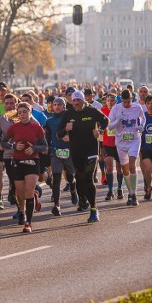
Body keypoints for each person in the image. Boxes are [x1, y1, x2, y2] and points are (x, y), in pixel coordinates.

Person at [57, 91, 109, 222]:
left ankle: (93, 209)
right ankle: (82, 200)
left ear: (83, 101)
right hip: (76, 151)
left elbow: (105, 120)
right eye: (74, 101)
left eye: (78, 101)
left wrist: (100, 130)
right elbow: (58, 133)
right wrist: (66, 130)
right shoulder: (68, 114)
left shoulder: (92, 111)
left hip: (91, 151)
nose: (76, 103)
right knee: (79, 178)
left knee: (88, 178)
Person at [1, 103, 48, 232]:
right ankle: (22, 210)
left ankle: (28, 222)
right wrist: (14, 146)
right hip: (17, 162)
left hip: (33, 161)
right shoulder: (14, 128)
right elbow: (3, 142)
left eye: (24, 112)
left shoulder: (37, 127)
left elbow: (45, 147)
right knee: (20, 193)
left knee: (28, 190)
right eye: (20, 112)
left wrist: (34, 148)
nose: (22, 114)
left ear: (30, 112)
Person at [107, 89, 145, 206]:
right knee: (125, 170)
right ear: (121, 100)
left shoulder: (137, 107)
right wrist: (118, 119)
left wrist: (141, 126)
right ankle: (130, 192)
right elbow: (109, 126)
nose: (126, 104)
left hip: (134, 140)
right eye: (124, 102)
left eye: (128, 102)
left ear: (131, 99)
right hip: (121, 142)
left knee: (132, 165)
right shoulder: (116, 109)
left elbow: (143, 118)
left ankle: (134, 194)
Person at [44, 97, 78, 216]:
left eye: (59, 104)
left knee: (70, 176)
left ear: (64, 106)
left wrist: (71, 138)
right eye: (55, 104)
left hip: (69, 151)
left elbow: (79, 133)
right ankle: (57, 205)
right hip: (55, 152)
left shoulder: (70, 119)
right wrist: (47, 148)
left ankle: (73, 190)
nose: (57, 106)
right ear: (52, 106)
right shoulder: (49, 121)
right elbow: (47, 137)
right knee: (56, 178)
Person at [101, 94, 125, 201]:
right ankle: (110, 190)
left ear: (116, 102)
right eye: (108, 101)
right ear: (106, 102)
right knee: (109, 167)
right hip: (107, 143)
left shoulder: (120, 111)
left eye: (112, 101)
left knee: (120, 168)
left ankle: (119, 188)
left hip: (119, 144)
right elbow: (98, 126)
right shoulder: (102, 112)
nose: (110, 102)